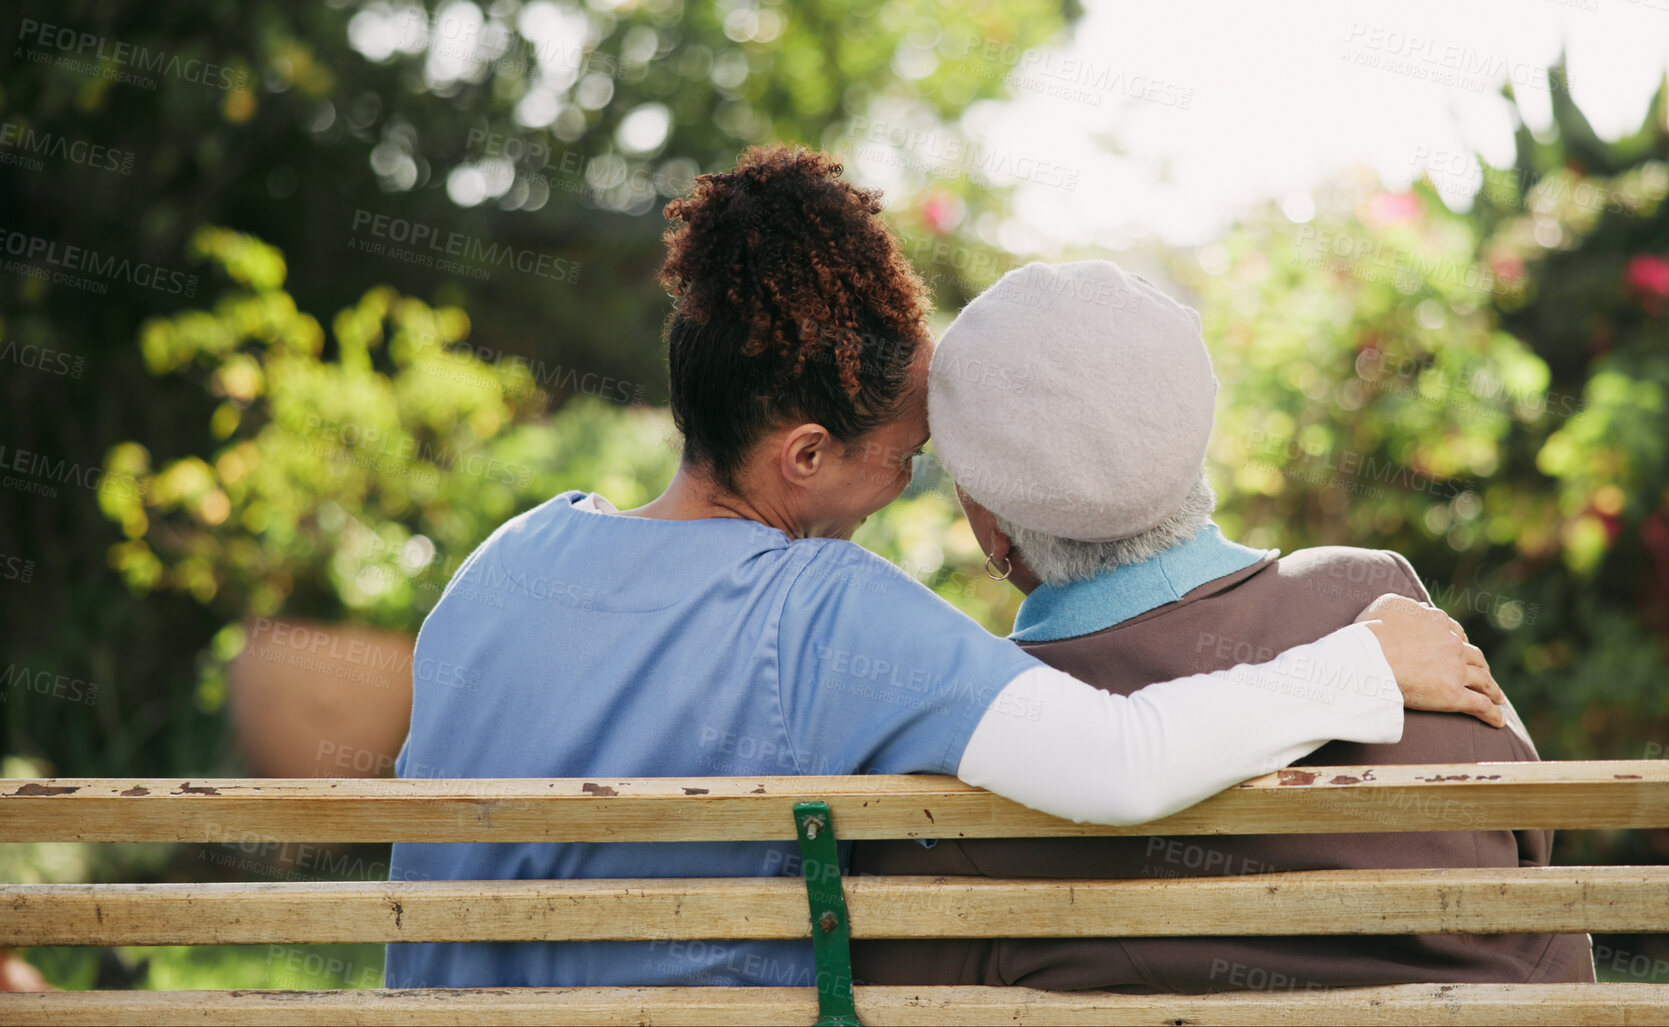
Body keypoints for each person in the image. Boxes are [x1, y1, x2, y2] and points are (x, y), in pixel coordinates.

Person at [383, 148, 1505, 989]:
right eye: (910, 459)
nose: (922, 486)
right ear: (806, 455)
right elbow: (1122, 765)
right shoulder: (824, 612)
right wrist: (1358, 661)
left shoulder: (507, 558)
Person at [853, 259, 1595, 991]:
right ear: (1189, 442)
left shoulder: (976, 745)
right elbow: (1525, 837)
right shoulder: (1377, 600)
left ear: (988, 525)